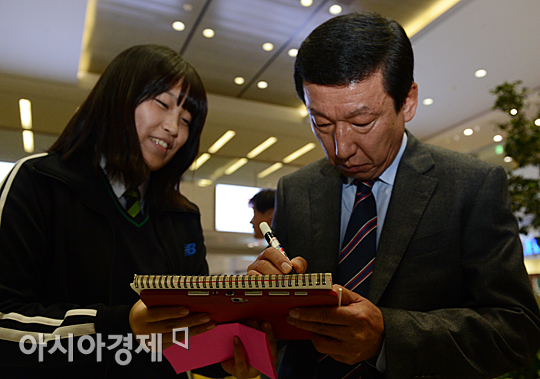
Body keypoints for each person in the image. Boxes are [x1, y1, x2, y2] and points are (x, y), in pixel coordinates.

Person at [247, 12, 540, 379]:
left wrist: (388, 337)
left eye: (361, 122)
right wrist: (261, 302)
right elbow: (285, 324)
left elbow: (516, 331)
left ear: (408, 101)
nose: (340, 148)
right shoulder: (296, 188)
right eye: (321, 123)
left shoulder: (472, 185)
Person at [0, 44, 274, 379]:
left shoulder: (181, 215)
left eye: (186, 120)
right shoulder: (39, 183)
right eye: (162, 104)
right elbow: (6, 323)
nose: (174, 128)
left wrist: (229, 356)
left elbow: (189, 336)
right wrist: (123, 326)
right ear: (119, 97)